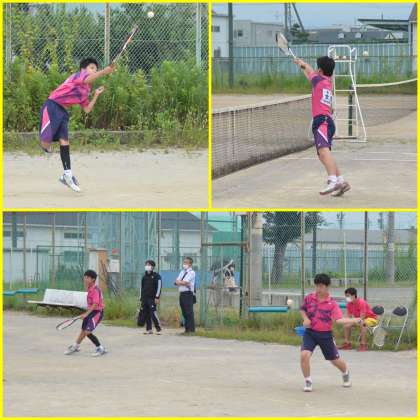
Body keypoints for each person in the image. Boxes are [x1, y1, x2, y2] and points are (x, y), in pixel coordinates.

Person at [39, 58, 115, 192]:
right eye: (92, 68)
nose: (94, 71)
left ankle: (67, 175)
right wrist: (104, 71)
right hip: (52, 106)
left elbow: (87, 109)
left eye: (96, 69)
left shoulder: (85, 90)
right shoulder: (78, 76)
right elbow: (88, 79)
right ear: (83, 69)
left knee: (64, 141)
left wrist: (96, 95)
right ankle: (46, 147)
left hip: (63, 112)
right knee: (45, 143)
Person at [294, 55, 350, 197]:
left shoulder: (318, 80)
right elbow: (309, 71)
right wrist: (302, 65)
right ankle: (341, 181)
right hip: (328, 122)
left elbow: (308, 70)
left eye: (317, 68)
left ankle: (332, 181)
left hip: (322, 122)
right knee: (323, 154)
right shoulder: (327, 81)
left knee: (324, 152)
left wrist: (301, 64)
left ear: (319, 70)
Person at [300, 273, 362, 392]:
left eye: (321, 286)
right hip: (310, 333)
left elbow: (339, 320)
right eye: (317, 286)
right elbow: (303, 309)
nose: (318, 289)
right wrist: (305, 319)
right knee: (304, 355)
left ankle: (345, 372)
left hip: (325, 335)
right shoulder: (309, 298)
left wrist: (355, 320)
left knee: (334, 360)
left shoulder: (332, 304)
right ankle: (308, 381)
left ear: (327, 286)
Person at [64, 269, 106, 357]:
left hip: (97, 312)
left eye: (87, 278)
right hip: (91, 311)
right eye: (85, 277)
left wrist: (86, 314)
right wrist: (86, 313)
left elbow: (95, 304)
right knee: (83, 330)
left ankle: (100, 348)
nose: (85, 279)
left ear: (93, 279)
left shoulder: (95, 289)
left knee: (87, 331)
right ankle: (76, 346)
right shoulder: (90, 288)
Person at [338, 287, 378, 351]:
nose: (347, 298)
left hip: (371, 319)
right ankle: (347, 343)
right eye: (346, 296)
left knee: (363, 323)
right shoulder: (349, 304)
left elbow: (362, 317)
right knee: (346, 325)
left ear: (354, 295)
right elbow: (348, 317)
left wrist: (352, 322)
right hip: (359, 320)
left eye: (348, 296)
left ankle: (363, 344)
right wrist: (344, 321)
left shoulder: (361, 302)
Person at [139, 260, 162, 335]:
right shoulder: (144, 276)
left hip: (152, 298)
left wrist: (157, 297)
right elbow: (141, 287)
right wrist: (141, 297)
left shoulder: (156, 276)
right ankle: (149, 329)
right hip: (144, 298)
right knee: (146, 313)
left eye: (149, 265)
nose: (147, 266)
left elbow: (159, 286)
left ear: (152, 267)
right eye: (146, 265)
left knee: (153, 313)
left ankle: (158, 328)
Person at [175, 257, 196, 334]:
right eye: (184, 262)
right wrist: (182, 282)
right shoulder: (182, 272)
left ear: (190, 264)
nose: (184, 264)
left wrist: (181, 282)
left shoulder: (191, 272)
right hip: (182, 294)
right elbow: (176, 281)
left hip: (188, 294)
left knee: (189, 312)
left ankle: (191, 330)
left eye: (186, 262)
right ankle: (187, 330)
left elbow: (185, 282)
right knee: (184, 312)